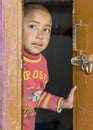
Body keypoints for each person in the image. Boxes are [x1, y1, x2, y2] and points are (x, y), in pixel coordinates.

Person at [23, 3, 77, 130]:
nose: (40, 36)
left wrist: (63, 103)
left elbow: (34, 96)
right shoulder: (8, 58)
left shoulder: (42, 63)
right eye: (32, 26)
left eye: (46, 29)